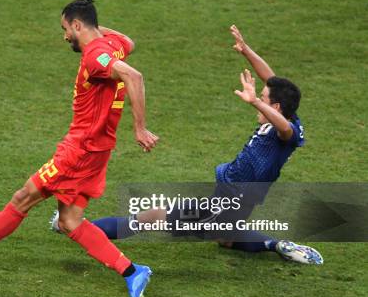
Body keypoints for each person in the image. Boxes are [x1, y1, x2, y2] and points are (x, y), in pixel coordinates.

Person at [0, 0, 160, 297]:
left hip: (79, 152)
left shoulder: (96, 56)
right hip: (98, 150)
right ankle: (133, 272)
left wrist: (139, 127)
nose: (65, 36)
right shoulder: (111, 45)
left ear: (77, 25)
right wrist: (93, 30)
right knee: (70, 220)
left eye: (66, 28)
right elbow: (129, 42)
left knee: (23, 197)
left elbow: (133, 76)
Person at [52, 25, 323, 265]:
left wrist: (255, 101)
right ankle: (277, 245)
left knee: (151, 218)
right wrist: (246, 51)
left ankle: (73, 225)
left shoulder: (286, 131)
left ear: (275, 106)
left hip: (231, 199)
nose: (260, 97)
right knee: (225, 238)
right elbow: (272, 80)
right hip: (235, 195)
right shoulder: (287, 110)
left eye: (265, 98)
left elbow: (283, 128)